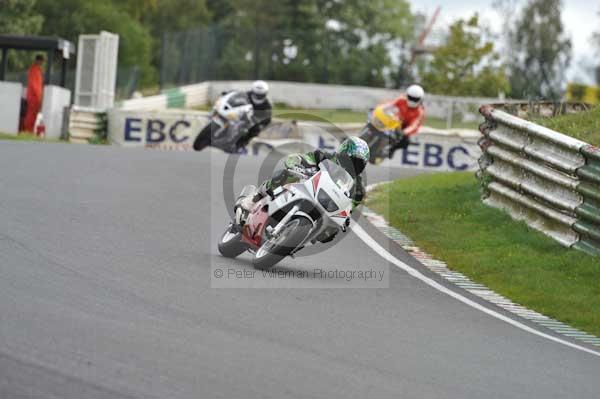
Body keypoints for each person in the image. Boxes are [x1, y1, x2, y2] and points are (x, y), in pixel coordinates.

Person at [237, 137, 370, 242]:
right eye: (351, 160)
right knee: (284, 175)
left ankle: (297, 241)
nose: (353, 165)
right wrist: (297, 164)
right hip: (304, 186)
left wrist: (346, 218)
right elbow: (303, 159)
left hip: (326, 205)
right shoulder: (324, 156)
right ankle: (254, 198)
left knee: (330, 233)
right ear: (343, 153)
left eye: (358, 164)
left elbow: (350, 207)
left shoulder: (358, 189)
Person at [388, 84, 425, 157]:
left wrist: (403, 132)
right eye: (410, 98)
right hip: (397, 120)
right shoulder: (401, 100)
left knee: (405, 142)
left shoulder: (419, 111)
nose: (412, 101)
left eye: (415, 99)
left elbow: (413, 126)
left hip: (406, 127)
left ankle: (392, 149)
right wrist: (379, 109)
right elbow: (390, 105)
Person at [236, 80, 272, 147]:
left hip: (252, 121)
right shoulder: (245, 95)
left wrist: (260, 125)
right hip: (239, 115)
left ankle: (243, 144)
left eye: (260, 95)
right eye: (256, 95)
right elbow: (235, 99)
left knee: (255, 130)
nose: (258, 97)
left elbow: (267, 119)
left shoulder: (267, 105)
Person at [23, 55, 45, 133]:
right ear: (37, 60)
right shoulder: (34, 70)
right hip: (33, 96)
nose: (41, 63)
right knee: (31, 115)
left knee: (34, 115)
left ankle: (30, 130)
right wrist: (38, 96)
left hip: (36, 96)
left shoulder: (38, 70)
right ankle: (27, 130)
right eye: (41, 61)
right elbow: (34, 84)